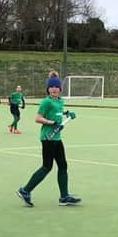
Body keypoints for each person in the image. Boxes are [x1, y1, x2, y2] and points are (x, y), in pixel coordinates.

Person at [16, 72, 81, 207]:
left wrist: (66, 113)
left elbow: (57, 112)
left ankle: (64, 196)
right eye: (51, 87)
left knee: (63, 165)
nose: (54, 89)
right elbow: (38, 118)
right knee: (47, 166)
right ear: (48, 89)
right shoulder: (46, 101)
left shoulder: (59, 101)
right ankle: (25, 190)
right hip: (47, 138)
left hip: (57, 138)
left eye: (56, 87)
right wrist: (52, 123)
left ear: (60, 89)